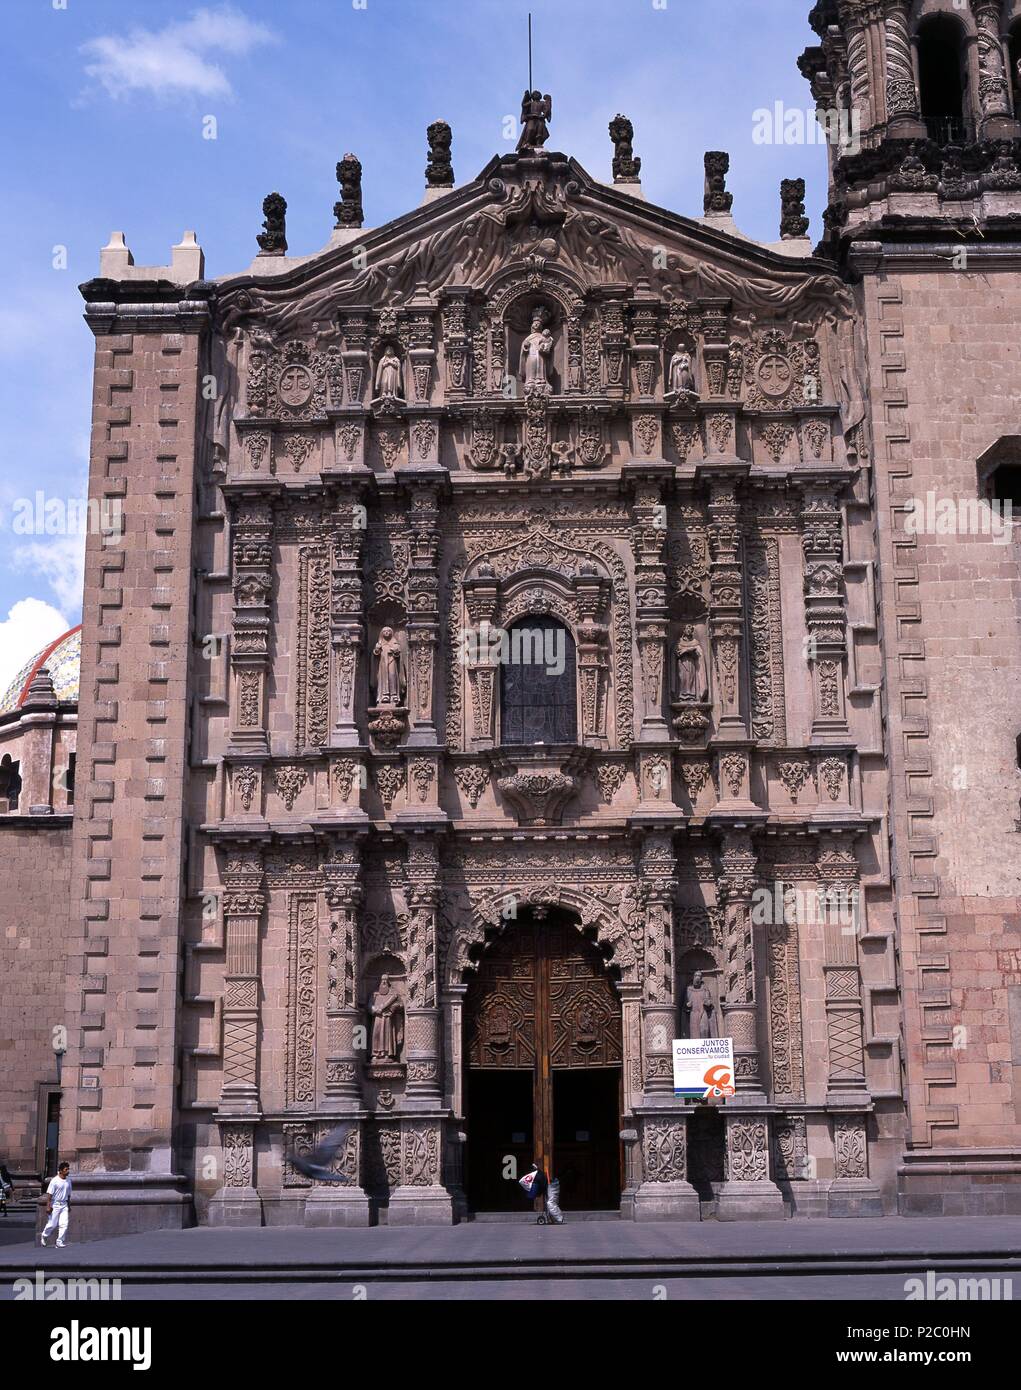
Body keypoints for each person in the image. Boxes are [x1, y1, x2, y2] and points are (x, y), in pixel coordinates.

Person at [40, 1160, 71, 1247]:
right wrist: (48, 1207)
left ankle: (59, 1241)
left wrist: (69, 1205)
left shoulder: (69, 1181)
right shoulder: (54, 1181)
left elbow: (68, 1195)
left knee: (64, 1224)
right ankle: (44, 1235)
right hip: (55, 1205)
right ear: (61, 1171)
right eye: (66, 1169)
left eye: (68, 1169)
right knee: (52, 1224)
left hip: (64, 1205)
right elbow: (49, 1195)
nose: (68, 1171)